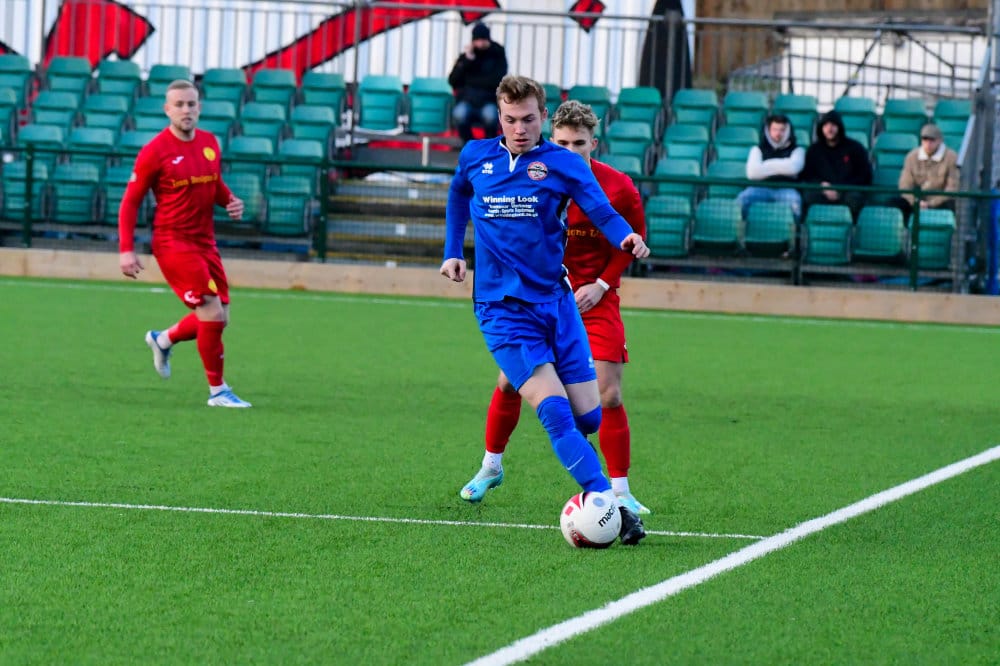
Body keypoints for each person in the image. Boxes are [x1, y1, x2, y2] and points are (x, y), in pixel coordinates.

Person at [441, 75, 650, 545]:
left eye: (529, 119)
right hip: (502, 310)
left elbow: (601, 209)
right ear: (500, 117)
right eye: (510, 119)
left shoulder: (563, 163)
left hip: (558, 304)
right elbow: (458, 194)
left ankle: (568, 468)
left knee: (589, 417)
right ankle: (612, 505)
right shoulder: (475, 156)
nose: (520, 128)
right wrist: (453, 250)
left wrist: (625, 237)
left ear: (543, 116)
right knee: (555, 412)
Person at [118, 79, 251, 408]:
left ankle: (163, 339)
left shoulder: (209, 142)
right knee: (211, 311)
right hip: (173, 242)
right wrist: (126, 249)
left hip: (205, 241)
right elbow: (130, 202)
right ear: (167, 110)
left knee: (220, 318)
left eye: (191, 104)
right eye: (179, 105)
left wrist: (230, 200)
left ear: (199, 108)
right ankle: (218, 391)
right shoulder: (154, 151)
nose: (186, 110)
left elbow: (213, 182)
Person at [800, 109, 873, 220]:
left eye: (833, 125)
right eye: (826, 125)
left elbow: (864, 175)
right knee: (809, 196)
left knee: (854, 199)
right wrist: (823, 186)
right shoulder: (814, 150)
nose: (829, 129)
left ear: (839, 127)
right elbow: (808, 175)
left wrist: (840, 189)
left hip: (848, 191)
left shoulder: (855, 148)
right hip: (822, 191)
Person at [735, 113, 805, 221]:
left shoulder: (798, 150)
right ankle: (741, 229)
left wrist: (764, 166)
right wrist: (784, 166)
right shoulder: (757, 149)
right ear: (768, 130)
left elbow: (794, 168)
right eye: (774, 129)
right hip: (760, 188)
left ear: (788, 131)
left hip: (786, 189)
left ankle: (795, 231)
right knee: (742, 199)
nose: (778, 133)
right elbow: (752, 173)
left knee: (795, 201)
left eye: (782, 130)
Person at [447, 22, 508, 145]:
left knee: (490, 116)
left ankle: (489, 145)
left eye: (483, 40)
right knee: (459, 114)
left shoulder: (497, 54)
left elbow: (496, 80)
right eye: (477, 40)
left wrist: (470, 81)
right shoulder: (467, 57)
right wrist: (467, 61)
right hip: (467, 100)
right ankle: (470, 144)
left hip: (488, 100)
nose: (480, 43)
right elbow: (452, 80)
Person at [894, 122, 960, 221]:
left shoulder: (951, 157)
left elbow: (952, 188)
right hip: (916, 201)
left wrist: (931, 204)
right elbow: (904, 185)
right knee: (894, 203)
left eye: (932, 140)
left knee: (950, 204)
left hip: (939, 203)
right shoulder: (911, 157)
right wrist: (915, 202)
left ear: (940, 141)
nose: (928, 144)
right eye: (925, 139)